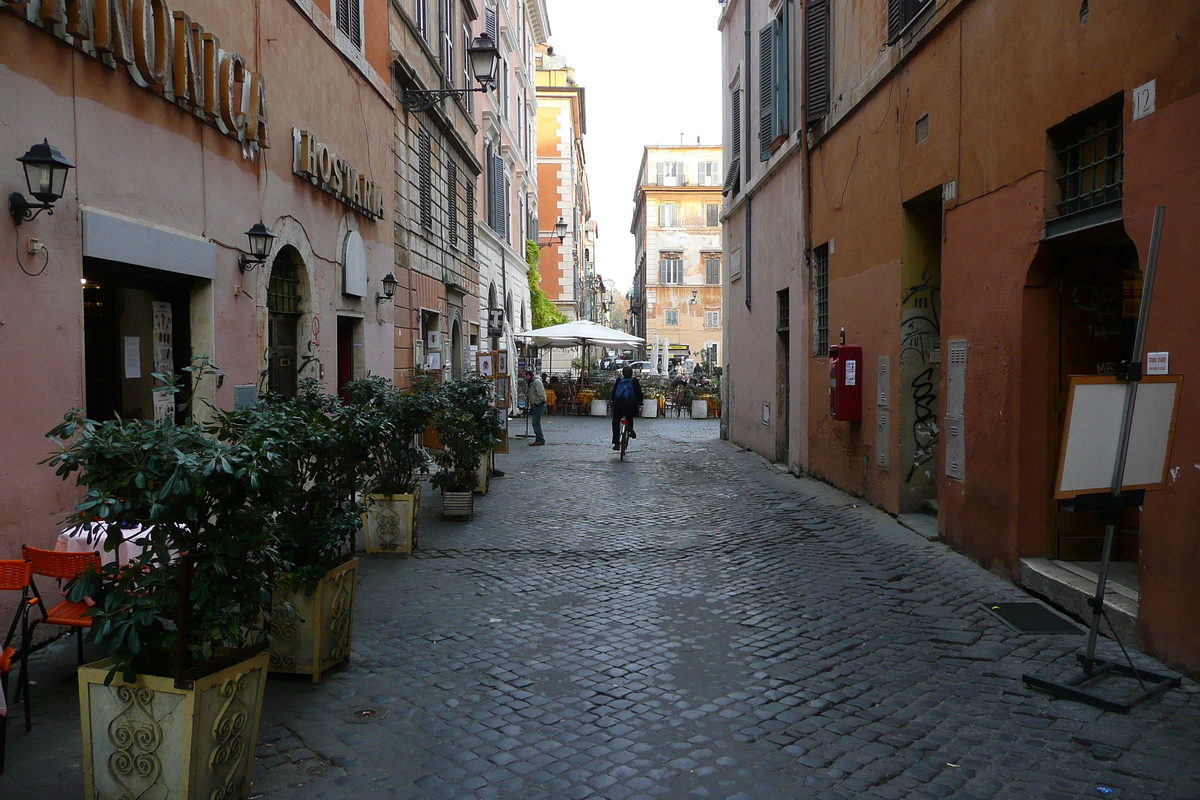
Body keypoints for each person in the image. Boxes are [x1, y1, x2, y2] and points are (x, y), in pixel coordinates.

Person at [611, 365, 644, 450]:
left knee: (616, 422)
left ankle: (616, 443)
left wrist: (612, 401)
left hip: (618, 405)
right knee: (630, 417)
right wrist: (640, 403)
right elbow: (639, 393)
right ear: (631, 373)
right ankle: (630, 428)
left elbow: (614, 392)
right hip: (630, 405)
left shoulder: (619, 381)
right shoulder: (634, 381)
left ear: (622, 373)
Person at [525, 369, 546, 446]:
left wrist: (537, 402)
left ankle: (540, 439)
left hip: (539, 405)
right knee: (536, 422)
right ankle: (538, 439)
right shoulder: (532, 382)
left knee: (536, 422)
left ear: (528, 375)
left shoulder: (536, 382)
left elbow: (541, 394)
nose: (524, 378)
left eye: (525, 376)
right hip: (536, 405)